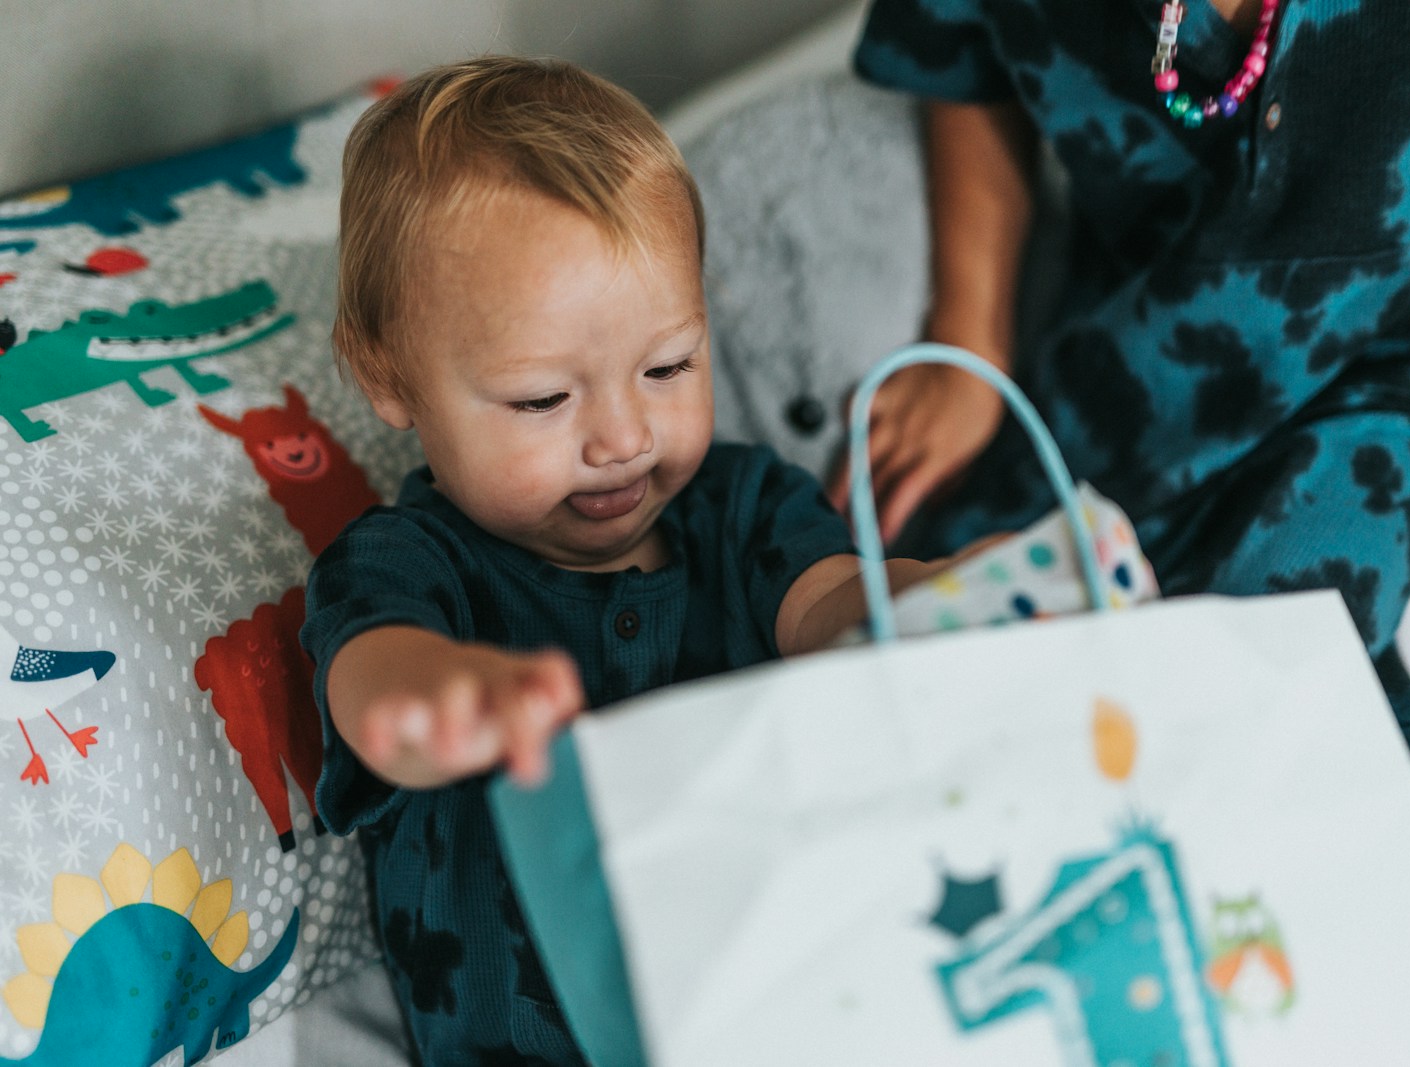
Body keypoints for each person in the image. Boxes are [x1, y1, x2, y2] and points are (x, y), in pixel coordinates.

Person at [839, 0, 1410, 1062]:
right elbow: (956, 44)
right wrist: (969, 327)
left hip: (1371, 387)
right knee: (935, 707)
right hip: (1126, 376)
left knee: (1302, 720)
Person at [302, 56, 959, 1064]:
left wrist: (949, 598)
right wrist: (442, 701)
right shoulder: (406, 562)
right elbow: (376, 680)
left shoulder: (741, 506)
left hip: (778, 1017)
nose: (622, 437)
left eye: (668, 367)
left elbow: (834, 603)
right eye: (541, 399)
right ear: (386, 377)